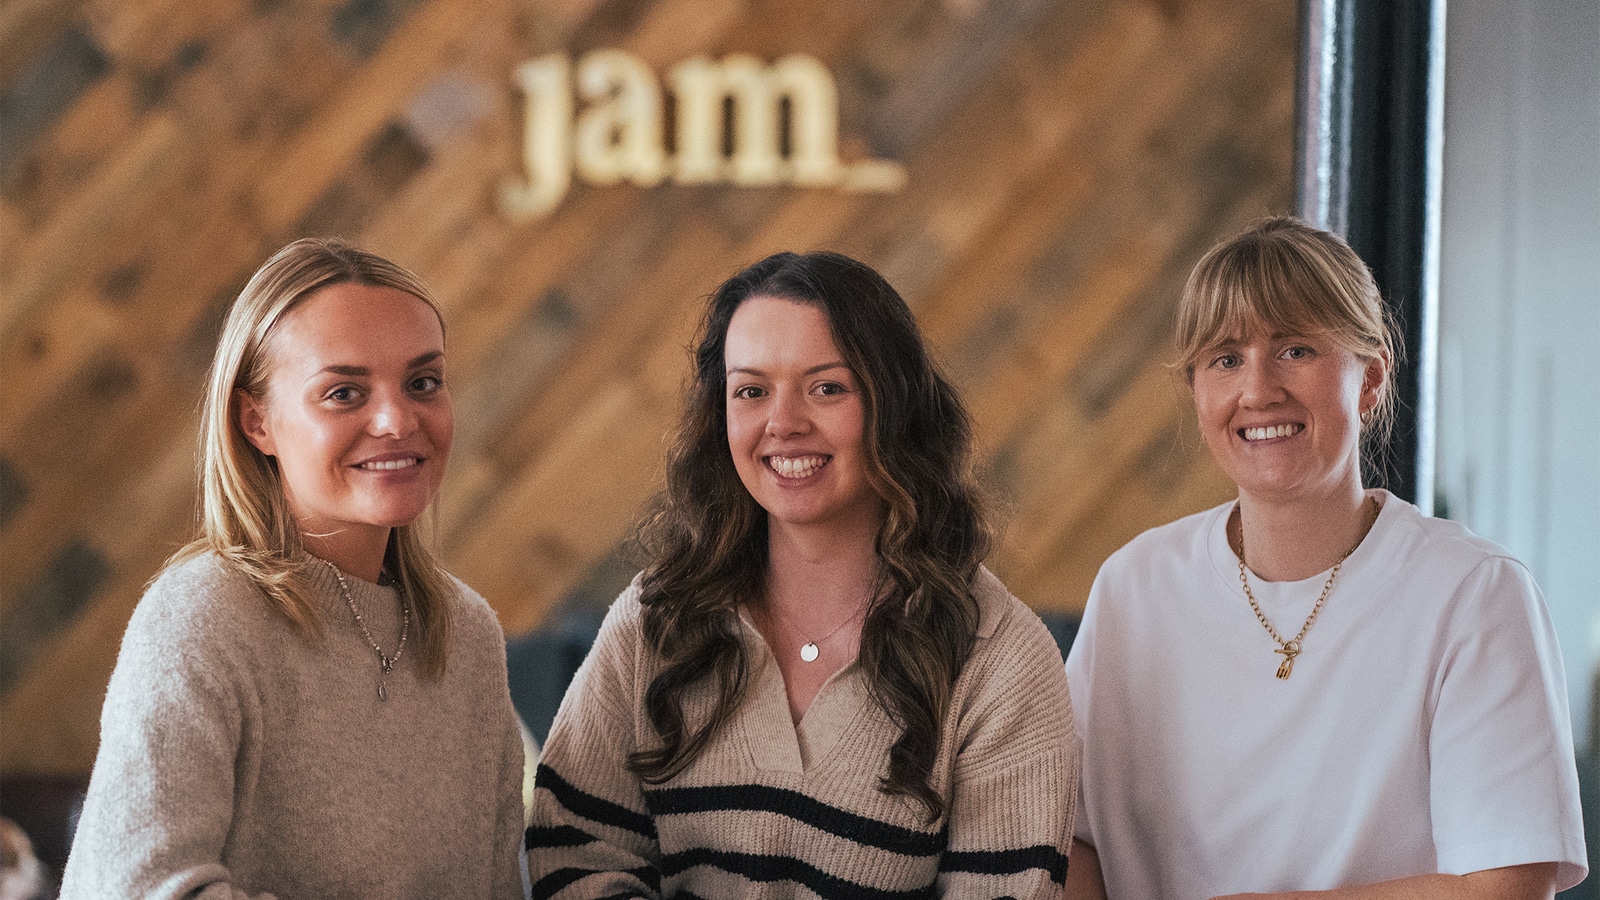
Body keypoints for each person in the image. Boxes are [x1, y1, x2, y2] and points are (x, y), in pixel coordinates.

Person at [1063, 217, 1587, 900]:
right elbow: (1069, 835)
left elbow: (1507, 885)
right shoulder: (1133, 585)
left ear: (1370, 379)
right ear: (1196, 391)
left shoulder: (1476, 593)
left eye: (1296, 350)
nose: (1258, 391)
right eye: (1225, 359)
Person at [526, 250, 1077, 898]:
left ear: (894, 407)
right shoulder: (656, 621)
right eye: (751, 391)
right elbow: (578, 856)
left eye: (826, 388)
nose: (783, 423)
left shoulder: (1002, 662)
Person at [59, 238, 527, 898]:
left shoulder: (468, 633)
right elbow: (133, 889)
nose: (397, 420)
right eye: (343, 392)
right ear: (257, 423)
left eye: (423, 383)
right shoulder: (201, 617)